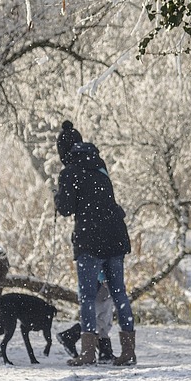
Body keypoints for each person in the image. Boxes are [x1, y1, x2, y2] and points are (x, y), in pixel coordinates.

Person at [54, 120, 136, 366]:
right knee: (119, 294)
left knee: (87, 297)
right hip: (115, 234)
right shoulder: (99, 165)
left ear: (62, 152)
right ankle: (129, 352)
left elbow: (67, 209)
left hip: (90, 239)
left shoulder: (69, 173)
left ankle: (88, 352)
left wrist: (58, 196)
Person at [56, 271, 116, 361]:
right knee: (99, 317)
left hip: (99, 279)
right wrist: (103, 277)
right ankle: (70, 335)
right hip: (99, 281)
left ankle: (105, 352)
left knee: (104, 318)